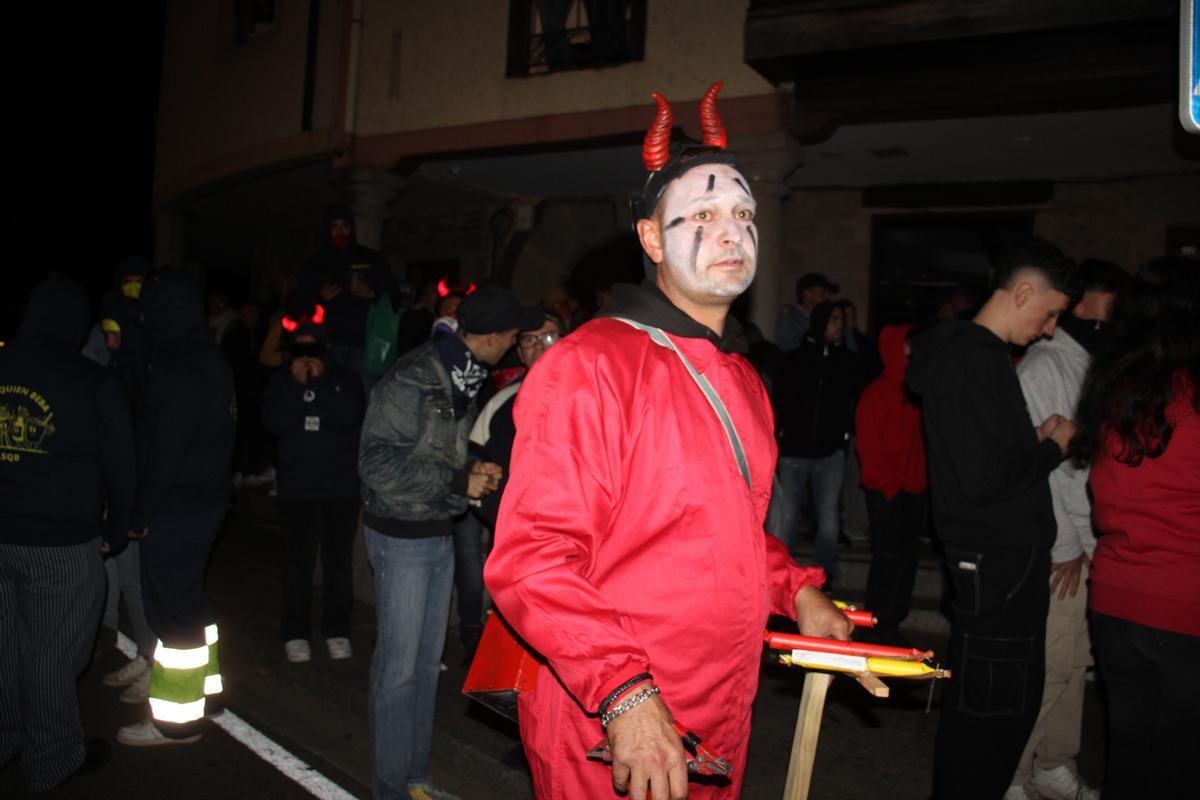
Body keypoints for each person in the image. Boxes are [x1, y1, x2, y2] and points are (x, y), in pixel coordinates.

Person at [485, 82, 851, 800]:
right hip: (614, 723)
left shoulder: (743, 379)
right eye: (704, 215)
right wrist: (625, 693)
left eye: (744, 214)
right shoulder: (592, 364)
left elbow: (725, 529)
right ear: (652, 240)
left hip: (720, 713)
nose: (732, 233)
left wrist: (796, 590)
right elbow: (533, 558)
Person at [905, 237, 1079, 799]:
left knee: (993, 709)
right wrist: (1052, 449)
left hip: (997, 562)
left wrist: (1032, 442)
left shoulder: (975, 356)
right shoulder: (973, 358)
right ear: (1023, 292)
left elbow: (982, 459)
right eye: (1050, 312)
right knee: (992, 718)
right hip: (998, 564)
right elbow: (984, 480)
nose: (1049, 329)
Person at [358, 283, 541, 800]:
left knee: (423, 668)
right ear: (493, 336)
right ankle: (391, 789)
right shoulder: (416, 376)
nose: (516, 344)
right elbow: (376, 463)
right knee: (399, 671)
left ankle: (413, 780)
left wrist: (471, 469)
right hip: (401, 535)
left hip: (436, 526)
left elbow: (433, 450)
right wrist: (460, 481)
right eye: (514, 334)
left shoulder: (462, 374)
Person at [1071, 255, 1199, 800]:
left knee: (1129, 752)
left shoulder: (1114, 386)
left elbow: (1107, 489)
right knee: (1179, 762)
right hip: (1184, 599)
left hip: (1117, 594)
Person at [1, 277, 136, 791]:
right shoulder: (90, 380)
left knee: (6, 643)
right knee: (52, 653)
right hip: (59, 543)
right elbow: (121, 464)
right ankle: (52, 756)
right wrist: (116, 529)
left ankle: (7, 736)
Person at [1007, 259, 1123, 800]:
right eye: (1106, 303)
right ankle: (1013, 774)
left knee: (1075, 662)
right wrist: (1068, 545)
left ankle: (1054, 762)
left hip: (1086, 539)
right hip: (1060, 545)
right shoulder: (1044, 367)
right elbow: (1045, 468)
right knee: (1052, 663)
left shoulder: (1089, 364)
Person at [116, 271, 236, 747]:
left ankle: (177, 722)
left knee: (173, 615)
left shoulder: (178, 365)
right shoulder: (208, 356)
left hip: (178, 506)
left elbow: (164, 449)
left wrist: (139, 512)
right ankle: (209, 692)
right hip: (205, 500)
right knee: (190, 604)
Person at [453, 312, 563, 665]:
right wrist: (505, 517)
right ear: (520, 349)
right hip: (517, 539)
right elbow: (475, 461)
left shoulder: (592, 393)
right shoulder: (503, 401)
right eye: (529, 339)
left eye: (548, 337)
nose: (539, 346)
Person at [261, 321, 365, 663]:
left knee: (338, 564)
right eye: (299, 350)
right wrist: (297, 385)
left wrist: (319, 383)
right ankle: (295, 632)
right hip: (297, 488)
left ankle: (337, 629)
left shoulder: (344, 378)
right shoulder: (281, 381)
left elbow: (351, 416)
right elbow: (273, 422)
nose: (306, 357)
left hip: (339, 488)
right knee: (297, 565)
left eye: (313, 349)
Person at [771, 301, 862, 584]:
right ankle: (779, 574)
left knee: (828, 516)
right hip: (793, 450)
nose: (839, 325)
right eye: (834, 319)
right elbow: (781, 401)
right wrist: (780, 435)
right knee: (787, 517)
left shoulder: (846, 361)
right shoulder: (795, 359)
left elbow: (853, 400)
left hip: (829, 452)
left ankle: (826, 575)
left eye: (841, 319)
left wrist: (843, 436)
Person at [854, 324, 926, 645]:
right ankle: (876, 621)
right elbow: (869, 448)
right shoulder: (875, 394)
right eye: (907, 347)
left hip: (913, 489)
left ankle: (893, 618)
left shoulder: (917, 393)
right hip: (886, 491)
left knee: (907, 559)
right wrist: (887, 486)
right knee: (887, 559)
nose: (912, 353)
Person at [299, 202, 396, 378]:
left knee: (366, 391)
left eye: (344, 225)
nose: (340, 231)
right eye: (334, 226)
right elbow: (300, 301)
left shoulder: (371, 258)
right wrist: (320, 297)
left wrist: (372, 293)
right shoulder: (315, 263)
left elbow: (393, 293)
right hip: (328, 345)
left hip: (364, 344)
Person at [774, 271, 838, 352]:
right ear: (807, 294)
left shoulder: (823, 320)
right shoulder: (788, 323)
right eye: (823, 293)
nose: (827, 297)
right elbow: (787, 352)